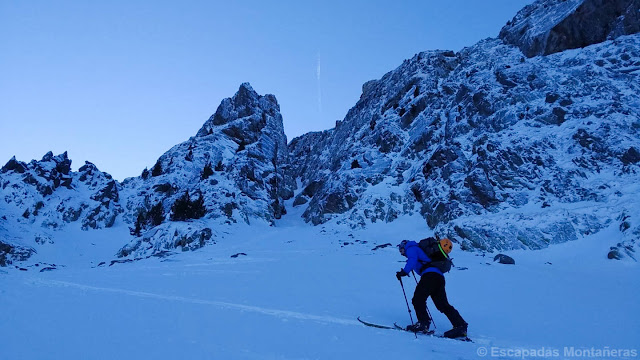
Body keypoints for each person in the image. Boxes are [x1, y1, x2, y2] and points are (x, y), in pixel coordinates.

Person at [396, 238, 468, 338]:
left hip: (429, 276)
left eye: (400, 250)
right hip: (438, 277)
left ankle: (423, 323)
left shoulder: (411, 248)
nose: (401, 252)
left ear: (404, 246)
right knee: (442, 304)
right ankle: (460, 326)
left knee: (418, 299)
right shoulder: (419, 250)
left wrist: (404, 272)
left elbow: (412, 260)